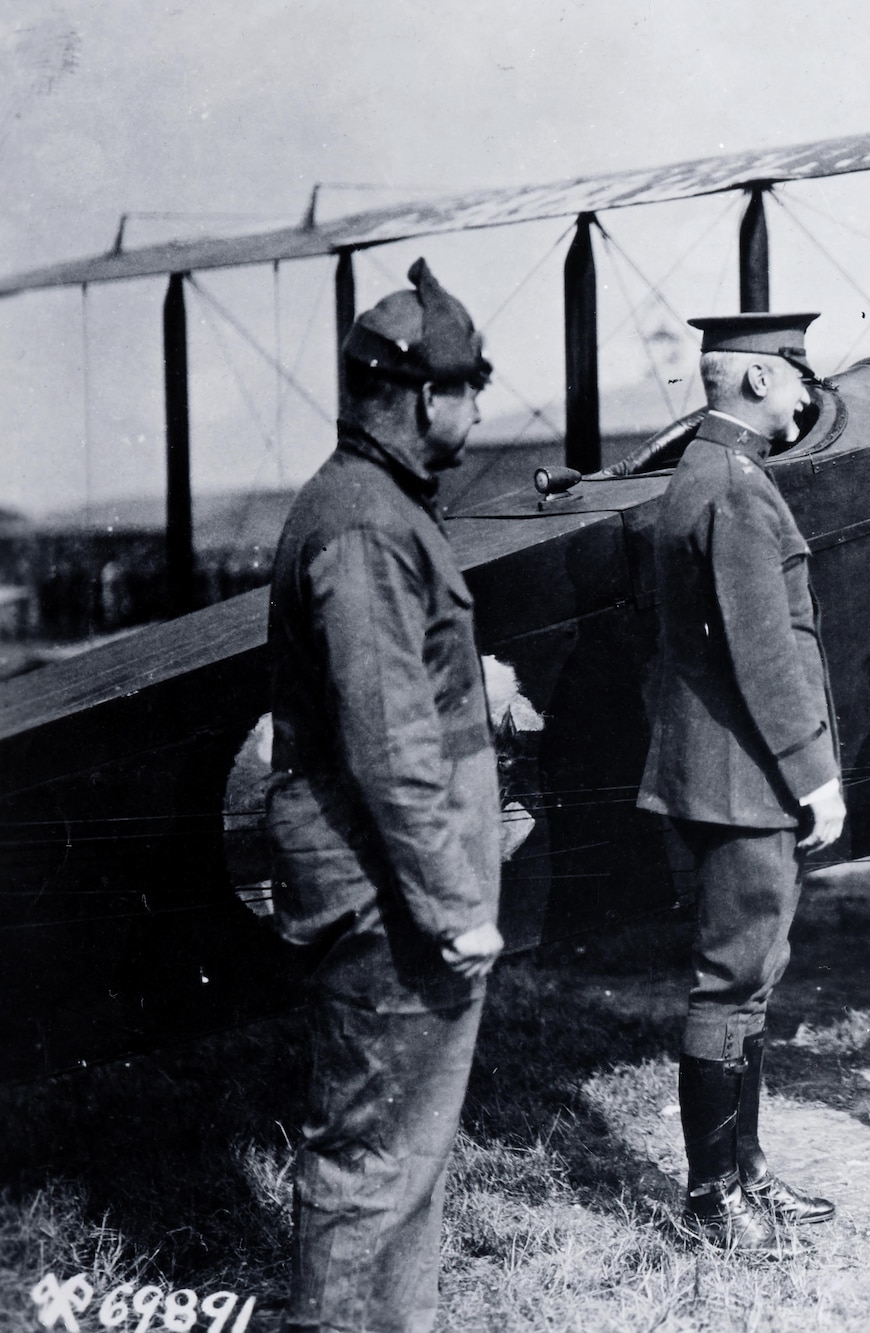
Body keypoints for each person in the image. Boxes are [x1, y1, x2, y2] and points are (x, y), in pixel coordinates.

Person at [266, 258, 504, 1331]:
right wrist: (453, 905)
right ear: (420, 398)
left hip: (393, 884)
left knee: (406, 1154)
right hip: (385, 896)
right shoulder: (365, 523)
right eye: (467, 389)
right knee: (372, 1161)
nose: (477, 409)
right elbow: (387, 740)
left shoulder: (374, 506)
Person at [637, 312, 844, 1254]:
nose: (810, 394)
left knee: (750, 979)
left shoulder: (711, 475)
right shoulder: (736, 489)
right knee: (731, 984)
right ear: (757, 381)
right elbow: (766, 656)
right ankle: (714, 1198)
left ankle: (745, 1176)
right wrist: (816, 774)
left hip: (727, 772)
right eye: (799, 375)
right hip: (745, 778)